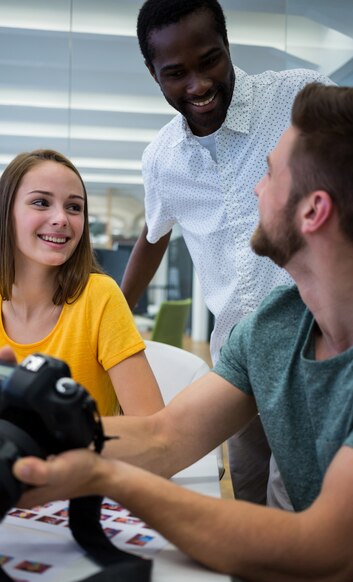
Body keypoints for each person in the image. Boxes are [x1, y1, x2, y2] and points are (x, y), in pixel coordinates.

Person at [0, 83, 353, 582]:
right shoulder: (274, 327)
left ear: (313, 211)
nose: (255, 189)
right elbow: (165, 436)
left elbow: (316, 564)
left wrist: (104, 477)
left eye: (271, 173)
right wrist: (18, 439)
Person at [120, 0, 335, 507]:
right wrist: (107, 311)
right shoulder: (162, 159)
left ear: (228, 44)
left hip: (314, 343)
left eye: (210, 60)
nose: (197, 85)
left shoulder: (297, 98)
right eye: (175, 73)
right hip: (237, 355)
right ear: (152, 73)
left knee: (295, 504)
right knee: (249, 494)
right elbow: (153, 237)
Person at [0, 149, 163, 458]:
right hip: (2, 487)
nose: (61, 219)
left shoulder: (100, 296)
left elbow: (154, 433)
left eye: (74, 207)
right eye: (41, 202)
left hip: (79, 485)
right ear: (6, 212)